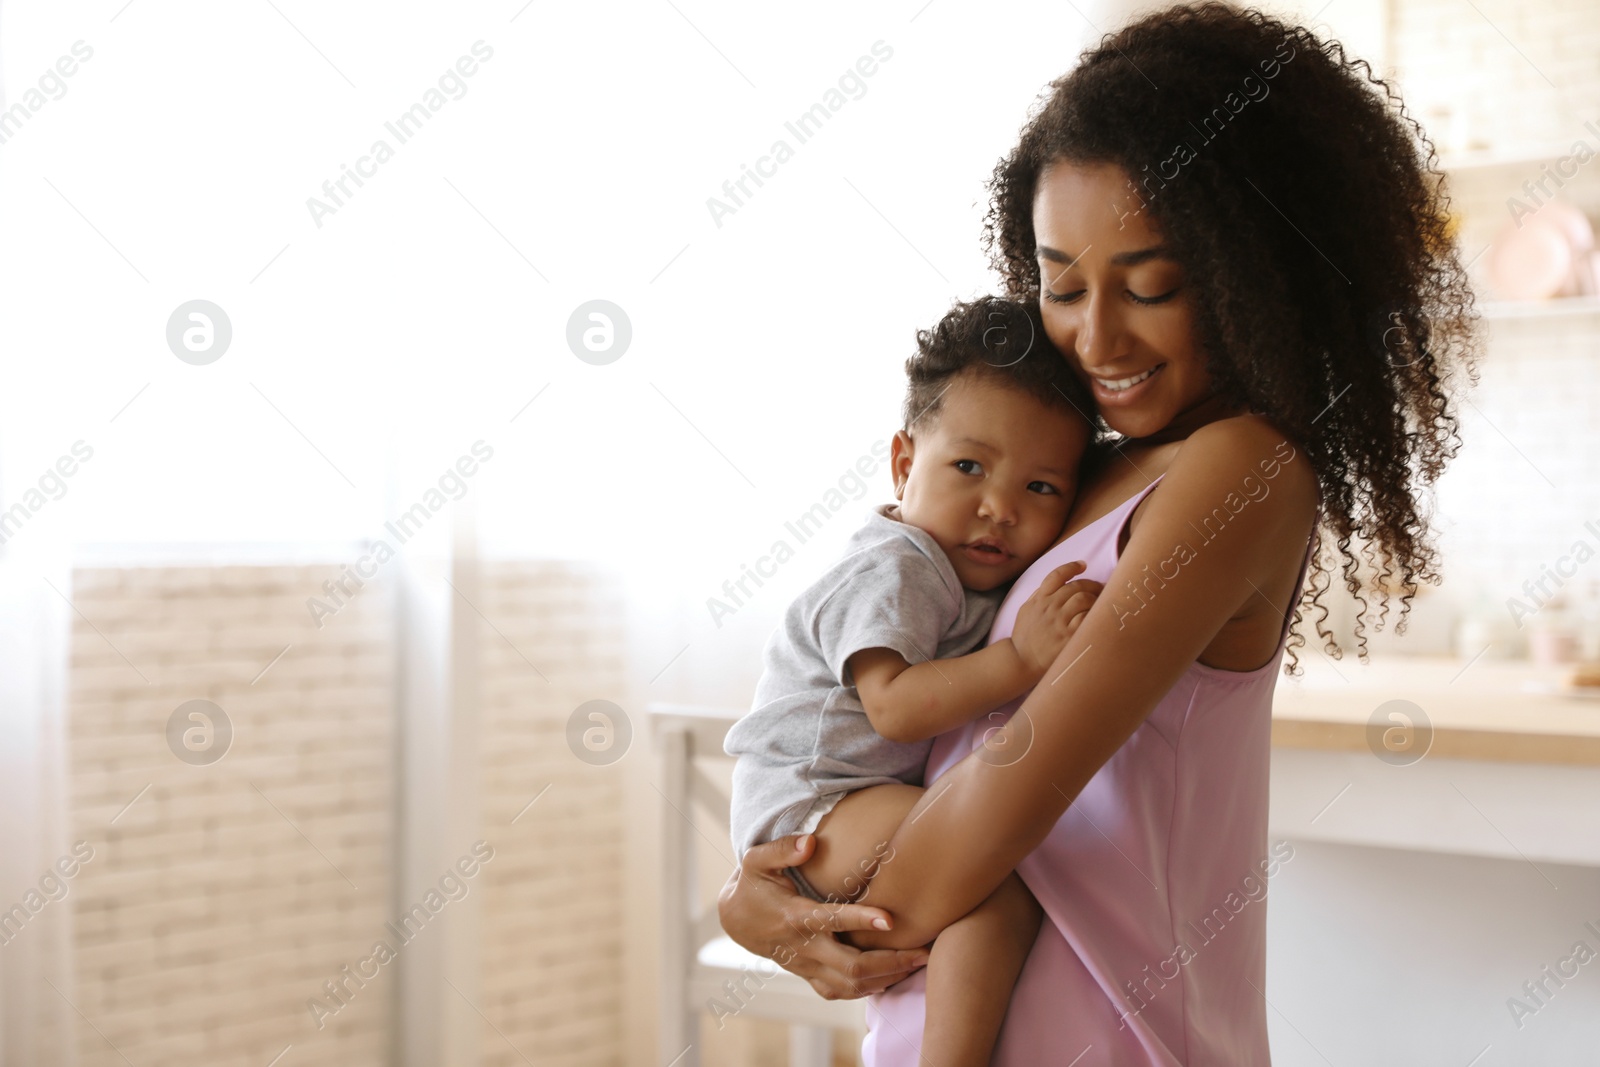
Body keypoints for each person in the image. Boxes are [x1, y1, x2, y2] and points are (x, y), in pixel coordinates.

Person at [717, 3, 1479, 1062]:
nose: (1096, 335)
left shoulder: (1240, 468)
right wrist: (757, 898)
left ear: (1254, 265)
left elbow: (1004, 780)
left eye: (1152, 285)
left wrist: (782, 905)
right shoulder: (1076, 471)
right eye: (1061, 284)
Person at [723, 295, 1105, 1064]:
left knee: (992, 895)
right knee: (995, 881)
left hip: (841, 800)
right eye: (969, 467)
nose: (998, 507)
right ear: (905, 464)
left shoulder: (961, 568)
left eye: (1041, 489)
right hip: (815, 801)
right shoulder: (900, 566)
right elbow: (893, 707)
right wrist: (1020, 661)